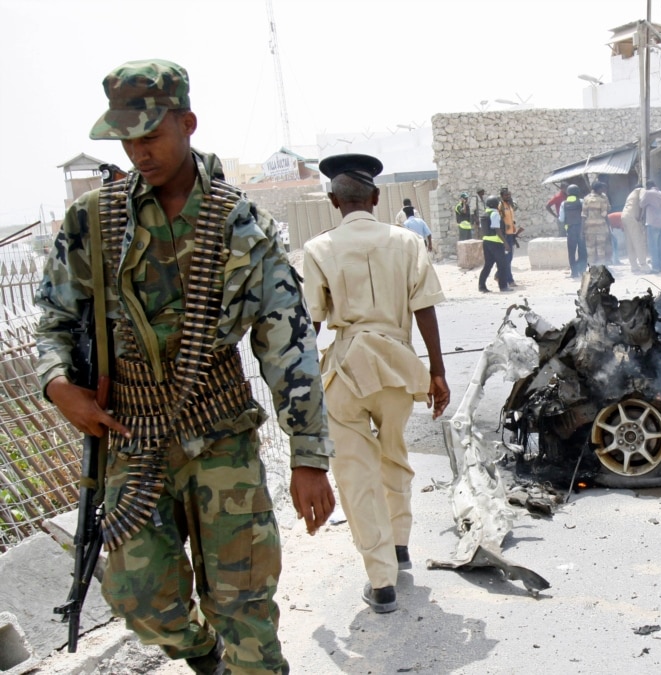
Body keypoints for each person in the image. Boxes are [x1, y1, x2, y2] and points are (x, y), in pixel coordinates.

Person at [35, 59, 335, 674]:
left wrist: (308, 456)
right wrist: (58, 383)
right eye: (126, 139)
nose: (137, 152)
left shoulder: (240, 224)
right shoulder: (94, 220)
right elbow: (55, 319)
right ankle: (205, 657)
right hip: (132, 438)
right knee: (141, 600)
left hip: (221, 436)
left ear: (188, 123)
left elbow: (288, 342)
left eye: (150, 136)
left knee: (245, 605)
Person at [303, 153, 449, 615]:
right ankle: (400, 545)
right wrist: (438, 372)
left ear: (333, 200)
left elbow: (311, 323)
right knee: (394, 453)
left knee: (355, 473)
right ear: (376, 196)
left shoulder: (317, 249)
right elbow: (425, 307)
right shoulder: (407, 242)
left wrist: (300, 385)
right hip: (396, 364)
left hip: (346, 368)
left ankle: (381, 580)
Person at [479, 195, 514, 292]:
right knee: (502, 264)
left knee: (488, 265)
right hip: (496, 242)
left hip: (486, 242)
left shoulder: (484, 214)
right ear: (495, 205)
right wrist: (505, 243)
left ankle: (481, 286)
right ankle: (503, 286)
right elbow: (497, 230)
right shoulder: (495, 214)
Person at [641, 181, 661, 274]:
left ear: (648, 186)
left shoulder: (648, 193)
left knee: (653, 246)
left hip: (653, 222)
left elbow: (641, 204)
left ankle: (655, 268)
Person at [559, 184, 586, 278]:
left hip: (570, 231)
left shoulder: (563, 204)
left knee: (571, 252)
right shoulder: (582, 201)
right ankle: (582, 271)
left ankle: (574, 273)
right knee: (582, 251)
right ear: (577, 192)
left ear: (568, 193)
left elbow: (561, 219)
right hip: (581, 230)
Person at [582, 181, 611, 267]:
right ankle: (601, 270)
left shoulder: (586, 198)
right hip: (600, 228)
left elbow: (583, 215)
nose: (603, 190)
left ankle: (592, 269)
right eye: (601, 189)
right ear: (598, 189)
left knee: (590, 251)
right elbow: (604, 214)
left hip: (589, 229)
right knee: (601, 250)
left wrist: (582, 230)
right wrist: (608, 227)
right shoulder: (602, 200)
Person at [621, 184, 648, 273]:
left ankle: (634, 266)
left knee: (630, 242)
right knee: (638, 240)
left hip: (624, 216)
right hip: (632, 217)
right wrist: (641, 216)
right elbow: (642, 202)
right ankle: (643, 265)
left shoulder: (631, 194)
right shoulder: (641, 190)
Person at [498, 187, 518, 287]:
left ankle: (499, 275)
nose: (508, 196)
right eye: (506, 195)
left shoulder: (509, 205)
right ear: (501, 196)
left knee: (509, 258)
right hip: (505, 235)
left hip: (511, 234)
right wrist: (505, 226)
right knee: (507, 258)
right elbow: (500, 219)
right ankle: (509, 280)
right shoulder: (501, 206)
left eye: (509, 194)